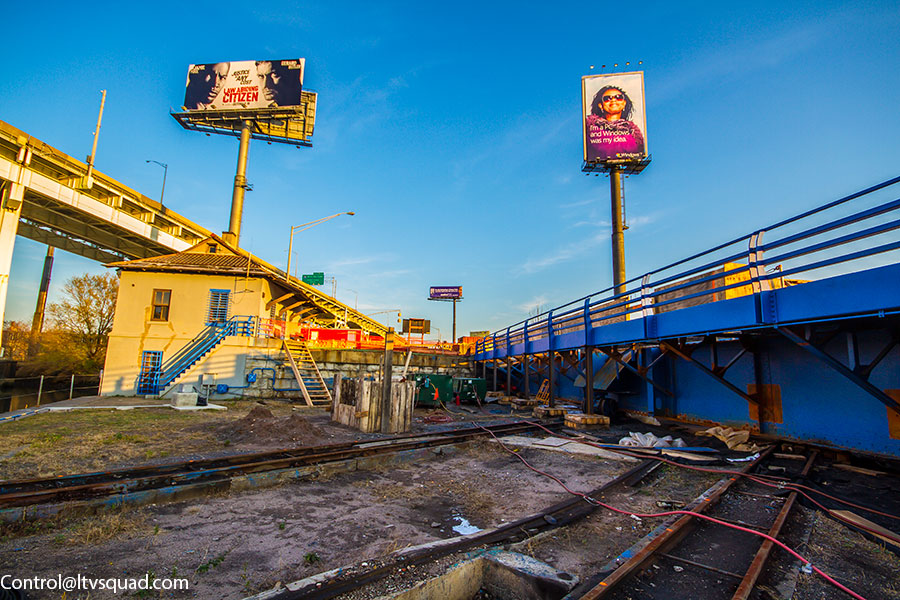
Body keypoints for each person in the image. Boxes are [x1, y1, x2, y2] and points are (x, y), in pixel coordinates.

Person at [585, 85, 645, 162]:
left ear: (624, 103)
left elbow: (639, 153)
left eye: (618, 97)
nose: (613, 100)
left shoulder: (634, 133)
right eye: (607, 98)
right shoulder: (590, 127)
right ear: (601, 105)